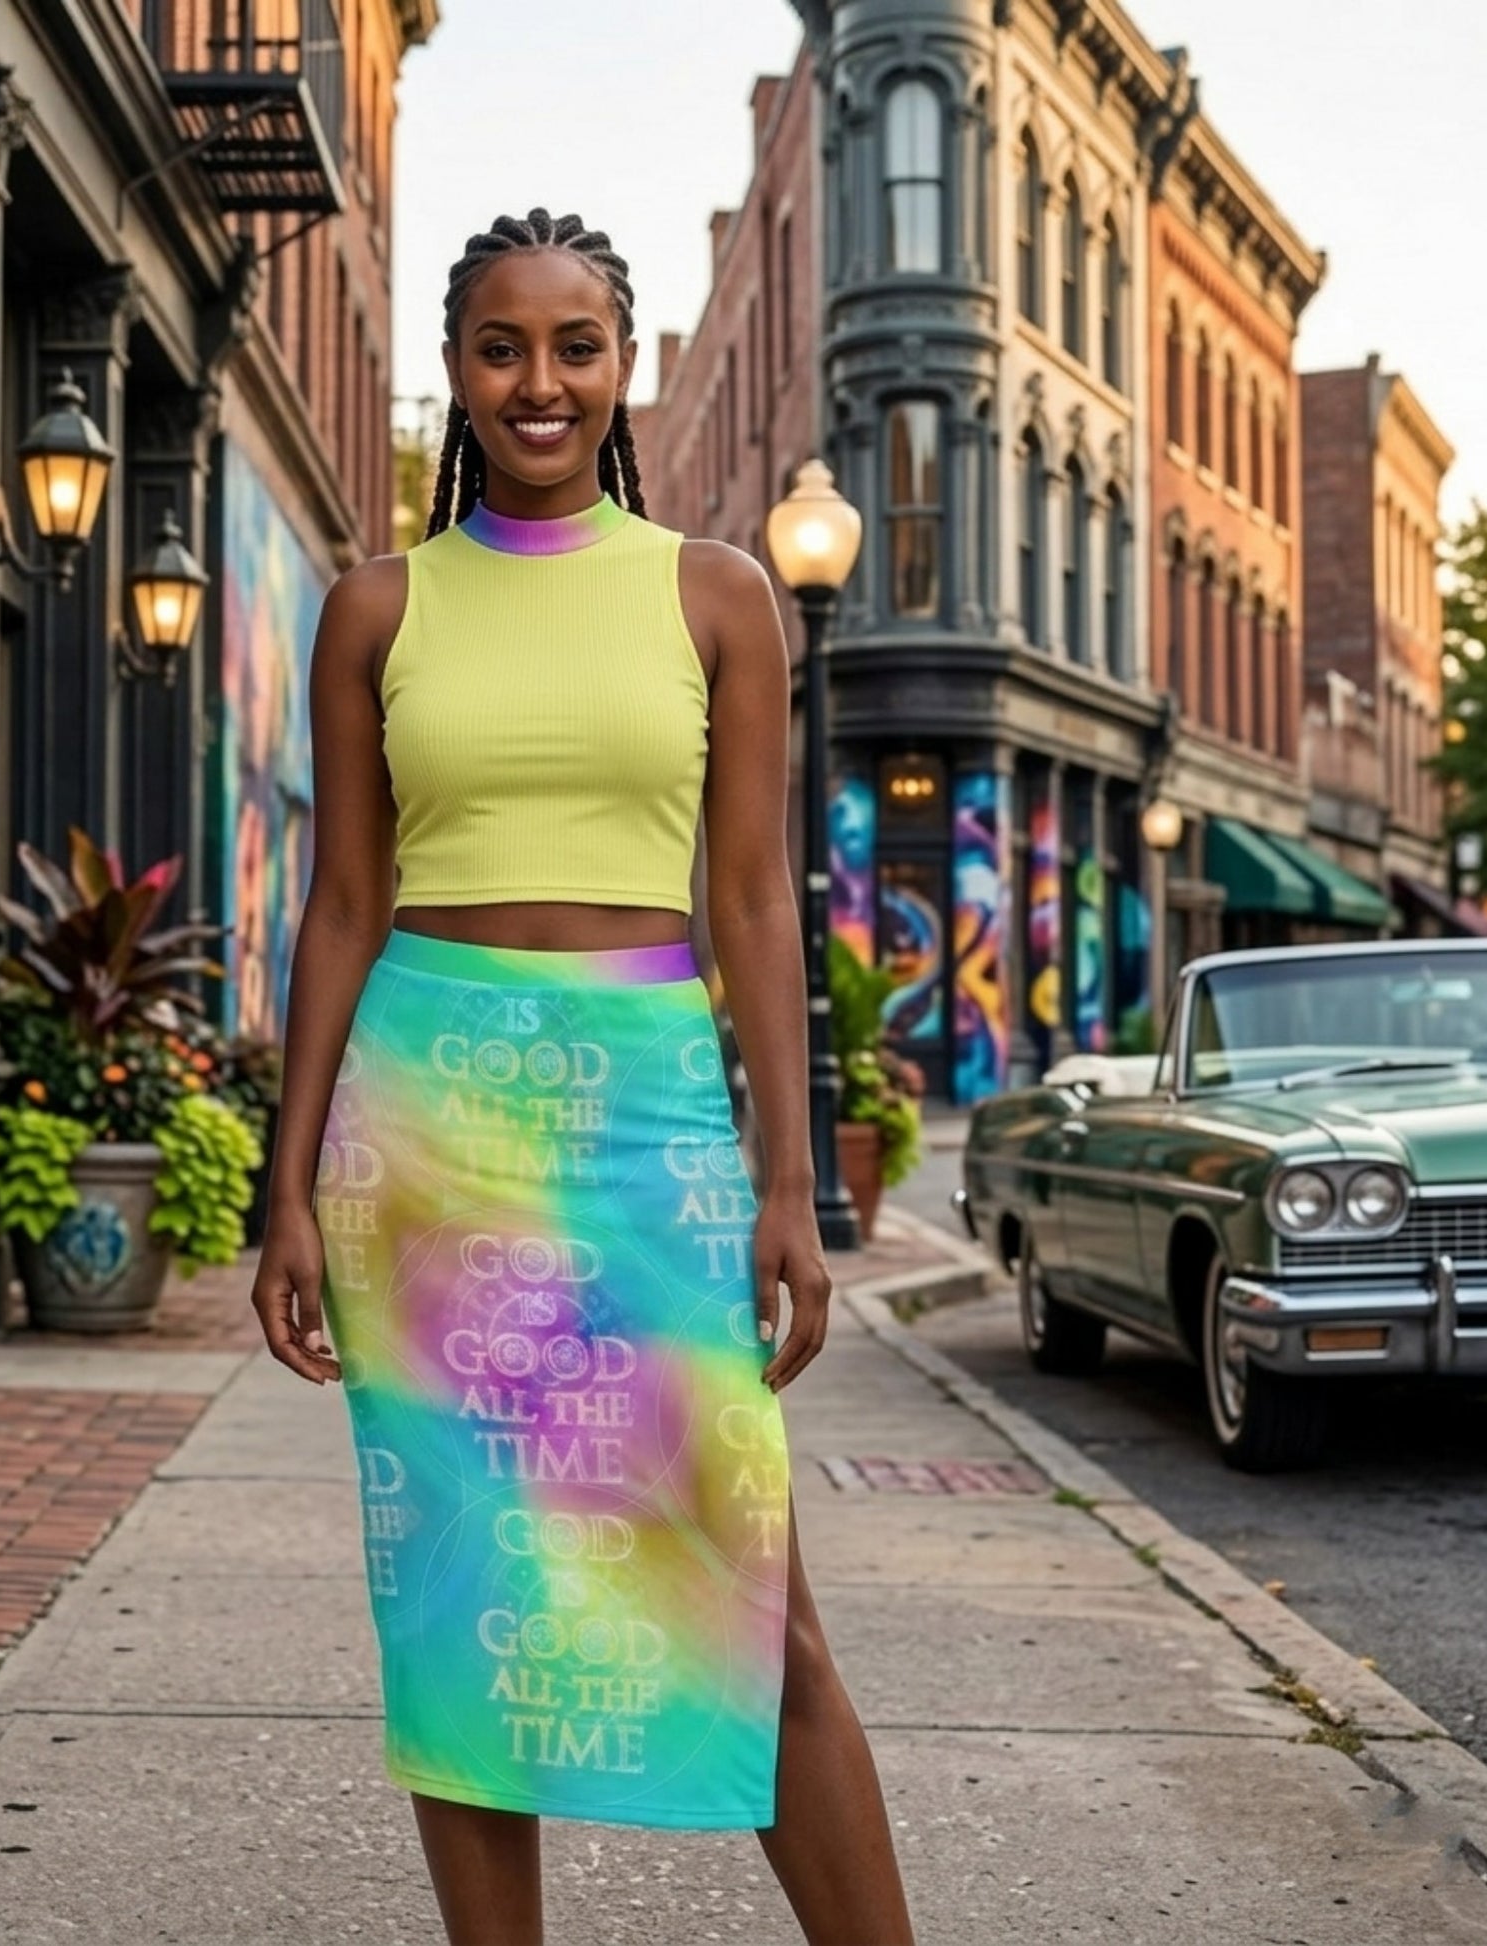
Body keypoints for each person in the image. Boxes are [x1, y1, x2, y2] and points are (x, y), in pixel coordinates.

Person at [251, 208, 916, 1946]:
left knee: (755, 1605)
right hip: (429, 1138)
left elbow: (755, 897)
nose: (536, 381)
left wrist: (785, 1180)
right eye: (498, 347)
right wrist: (288, 1190)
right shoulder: (376, 607)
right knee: (465, 1607)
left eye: (573, 346)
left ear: (621, 366)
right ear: (453, 376)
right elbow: (340, 905)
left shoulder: (715, 593)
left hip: (644, 1128)